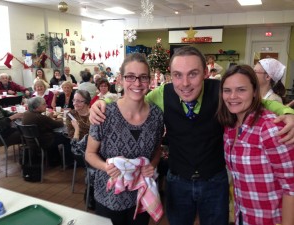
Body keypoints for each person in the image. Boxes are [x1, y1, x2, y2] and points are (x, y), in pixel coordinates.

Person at [90, 46, 294, 225]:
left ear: (206, 72)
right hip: (178, 181)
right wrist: (102, 104)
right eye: (178, 75)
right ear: (170, 74)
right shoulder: (163, 93)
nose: (185, 83)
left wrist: (288, 112)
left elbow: (259, 101)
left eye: (193, 74)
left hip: (215, 181)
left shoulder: (221, 91)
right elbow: (134, 98)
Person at [85, 53, 164, 225]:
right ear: (120, 79)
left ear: (150, 81)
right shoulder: (104, 113)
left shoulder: (157, 115)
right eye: (130, 77)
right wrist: (105, 166)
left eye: (143, 77)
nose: (137, 83)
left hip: (140, 196)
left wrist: (152, 165)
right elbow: (90, 153)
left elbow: (157, 150)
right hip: (109, 197)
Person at [217, 64, 294, 225]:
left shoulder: (270, 128)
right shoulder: (230, 127)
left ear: (254, 92)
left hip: (270, 219)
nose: (232, 96)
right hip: (243, 216)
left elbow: (291, 187)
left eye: (241, 90)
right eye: (227, 90)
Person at [22, 97, 69, 166]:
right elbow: (58, 124)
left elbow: (46, 122)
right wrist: (60, 118)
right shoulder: (40, 117)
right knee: (67, 137)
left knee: (57, 134)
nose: (46, 105)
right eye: (44, 104)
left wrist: (49, 118)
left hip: (32, 141)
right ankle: (69, 161)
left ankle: (55, 159)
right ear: (37, 107)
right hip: (44, 141)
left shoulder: (26, 113)